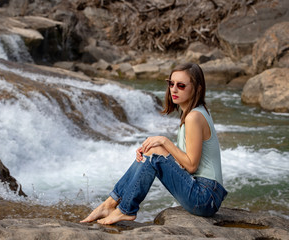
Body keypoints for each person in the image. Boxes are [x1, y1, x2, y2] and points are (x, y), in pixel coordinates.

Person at [80, 63, 227, 225]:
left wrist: (164, 141)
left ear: (198, 89)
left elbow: (191, 166)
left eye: (181, 85)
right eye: (171, 84)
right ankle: (110, 204)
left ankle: (125, 209)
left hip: (205, 197)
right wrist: (150, 153)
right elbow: (184, 163)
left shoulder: (194, 117)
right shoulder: (195, 113)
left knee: (156, 151)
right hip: (207, 194)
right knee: (153, 151)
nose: (174, 89)